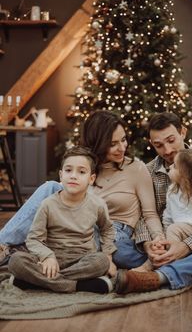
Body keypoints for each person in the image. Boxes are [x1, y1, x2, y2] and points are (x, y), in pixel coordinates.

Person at [0, 110, 164, 271]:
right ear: (97, 143)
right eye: (113, 144)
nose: (122, 147)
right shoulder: (84, 166)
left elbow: (150, 214)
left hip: (112, 232)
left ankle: (19, 253)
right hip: (77, 222)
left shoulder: (136, 168)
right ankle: (5, 247)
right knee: (51, 189)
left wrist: (158, 237)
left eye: (123, 140)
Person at [115, 112, 192, 294]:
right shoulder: (147, 172)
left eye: (171, 140)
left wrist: (186, 247)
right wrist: (150, 245)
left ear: (183, 132)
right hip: (163, 241)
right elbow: (143, 215)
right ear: (151, 144)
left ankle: (159, 277)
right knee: (119, 247)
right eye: (159, 145)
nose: (167, 150)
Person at [8, 146, 117, 293]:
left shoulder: (97, 205)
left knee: (101, 262)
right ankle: (78, 286)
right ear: (61, 175)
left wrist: (108, 256)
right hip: (51, 258)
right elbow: (34, 238)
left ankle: (38, 282)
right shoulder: (48, 204)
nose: (73, 176)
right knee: (16, 261)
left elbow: (107, 229)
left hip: (81, 260)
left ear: (91, 179)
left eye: (81, 172)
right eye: (68, 170)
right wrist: (48, 257)